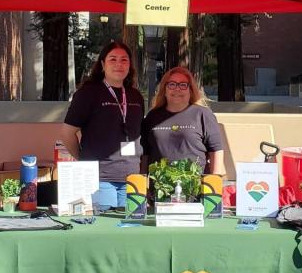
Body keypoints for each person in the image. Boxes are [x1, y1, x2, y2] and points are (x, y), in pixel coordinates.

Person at [61, 40, 144, 214]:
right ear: (102, 64)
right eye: (112, 59)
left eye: (124, 60)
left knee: (133, 230)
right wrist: (84, 161)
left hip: (132, 178)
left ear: (130, 65)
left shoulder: (135, 96)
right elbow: (68, 133)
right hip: (100, 179)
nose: (118, 64)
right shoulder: (88, 93)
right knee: (106, 228)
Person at [141, 66, 225, 175]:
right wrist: (142, 184)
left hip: (195, 186)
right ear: (164, 90)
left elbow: (216, 150)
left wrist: (214, 182)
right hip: (159, 187)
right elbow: (145, 153)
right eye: (172, 84)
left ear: (191, 90)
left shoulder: (203, 114)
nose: (177, 89)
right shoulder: (152, 116)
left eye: (183, 85)